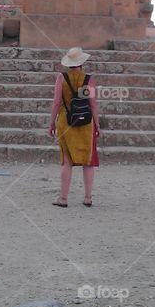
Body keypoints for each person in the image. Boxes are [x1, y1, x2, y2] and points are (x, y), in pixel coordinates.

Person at [49, 47, 100, 208]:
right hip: (85, 123)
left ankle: (63, 198)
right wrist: (97, 124)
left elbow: (57, 102)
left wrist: (51, 122)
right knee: (88, 161)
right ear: (82, 62)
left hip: (66, 121)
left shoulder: (61, 78)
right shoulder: (88, 79)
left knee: (66, 161)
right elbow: (92, 104)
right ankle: (88, 198)